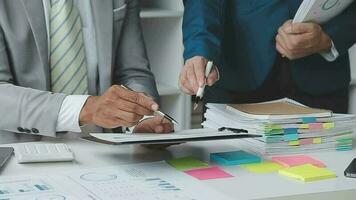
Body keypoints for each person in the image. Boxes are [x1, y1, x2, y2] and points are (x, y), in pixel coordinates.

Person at [0, 0, 173, 144]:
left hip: (105, 150)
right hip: (21, 152)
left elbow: (133, 72)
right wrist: (86, 109)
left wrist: (142, 119)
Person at [179, 0, 356, 113]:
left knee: (328, 169)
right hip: (239, 68)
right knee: (233, 169)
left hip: (322, 76)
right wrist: (198, 49)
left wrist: (329, 37)